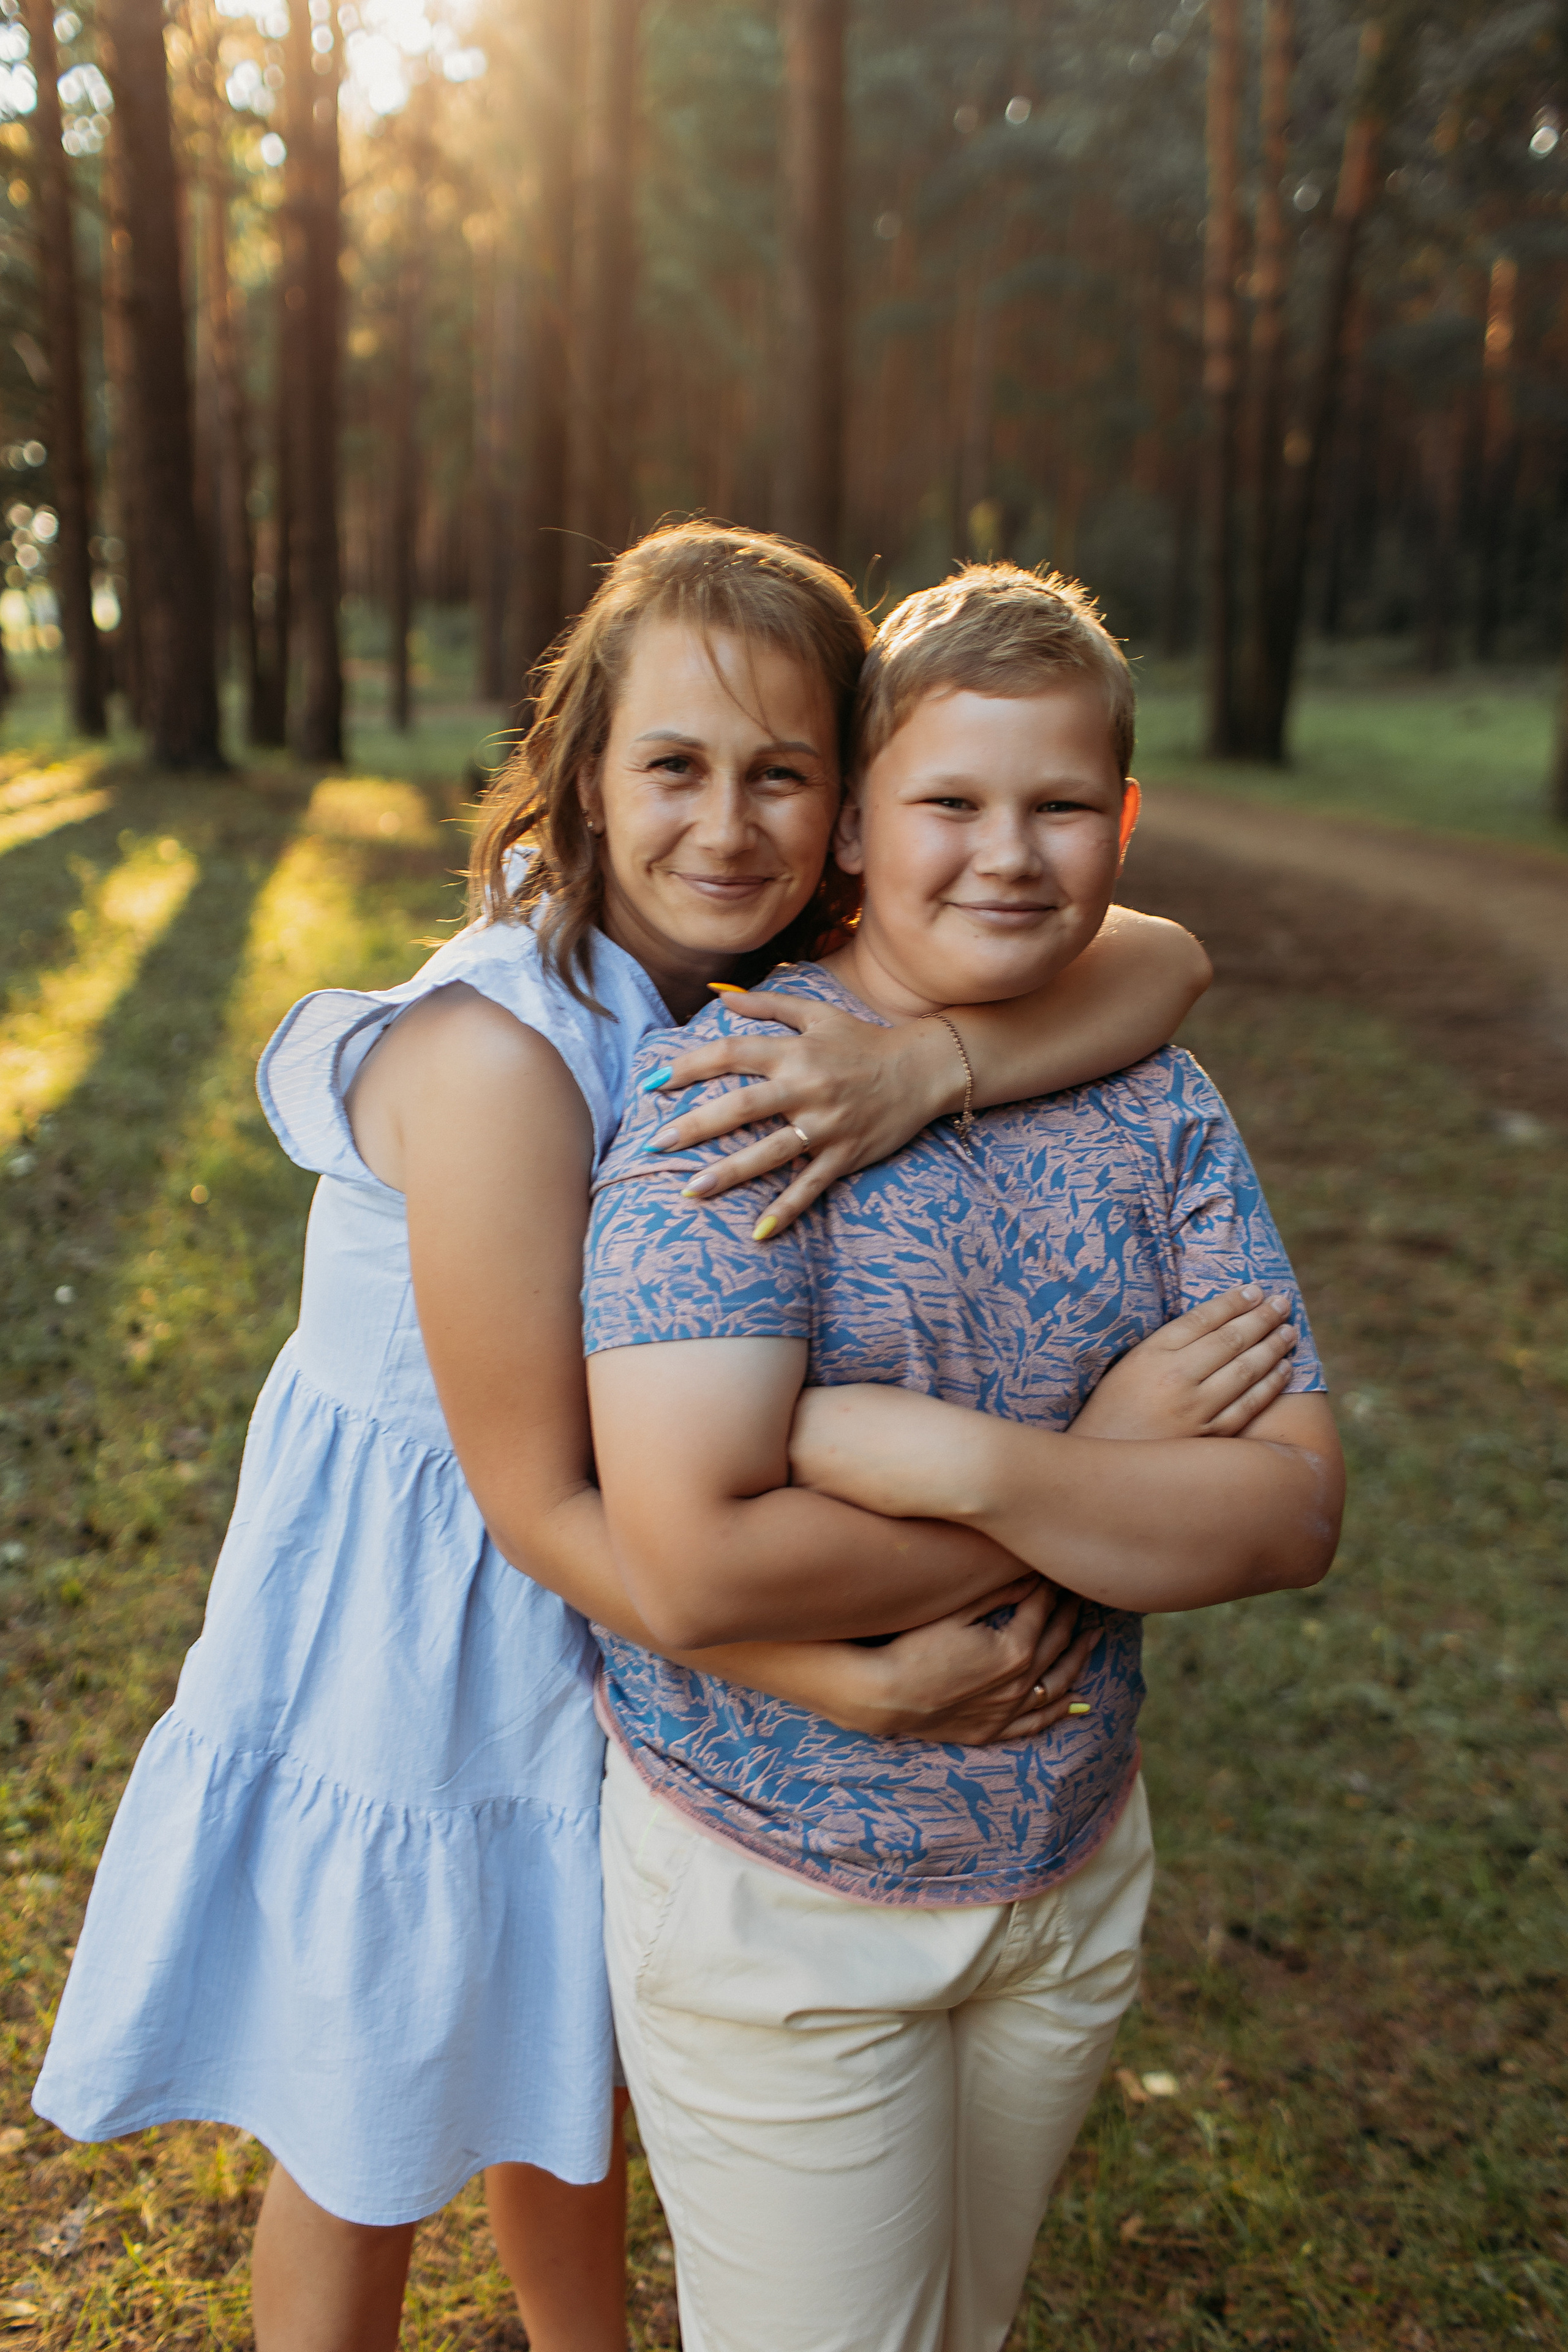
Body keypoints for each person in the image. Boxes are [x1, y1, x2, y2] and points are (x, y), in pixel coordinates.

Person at [31, 527, 1214, 2352]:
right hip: (443, 1624)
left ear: (846, 809)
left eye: (781, 775)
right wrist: (846, 1677)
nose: (725, 825)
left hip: (629, 1601)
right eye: (674, 767)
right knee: (374, 2120)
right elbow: (532, 1500)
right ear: (586, 775)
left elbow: (1167, 954)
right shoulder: (501, 1061)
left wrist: (936, 1065)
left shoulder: (798, 973)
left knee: (564, 2065)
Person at [581, 562, 1345, 2352]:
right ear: (854, 829)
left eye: (1061, 806)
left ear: (1125, 823)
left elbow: (1292, 1508)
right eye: (952, 804)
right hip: (784, 1900)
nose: (1009, 856)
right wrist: (1117, 1475)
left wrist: (959, 1459)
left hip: (1068, 1866)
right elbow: (700, 1568)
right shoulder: (739, 1103)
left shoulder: (1160, 1093)